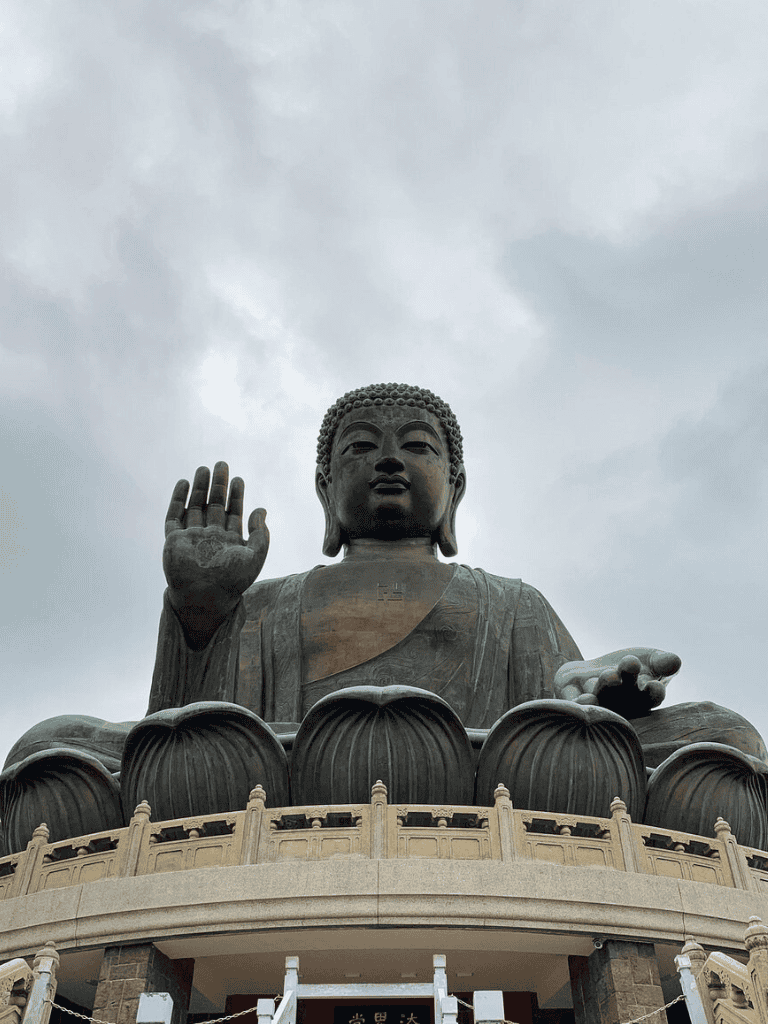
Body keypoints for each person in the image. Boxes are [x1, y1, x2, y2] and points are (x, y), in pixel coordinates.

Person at [5, 383, 765, 772]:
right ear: (324, 492)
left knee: (726, 735)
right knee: (48, 747)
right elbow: (188, 730)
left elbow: (550, 717)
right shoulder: (266, 605)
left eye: (418, 449)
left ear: (455, 491)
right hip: (285, 780)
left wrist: (596, 699)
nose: (391, 461)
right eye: (362, 448)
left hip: (478, 781)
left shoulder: (510, 604)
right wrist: (199, 613)